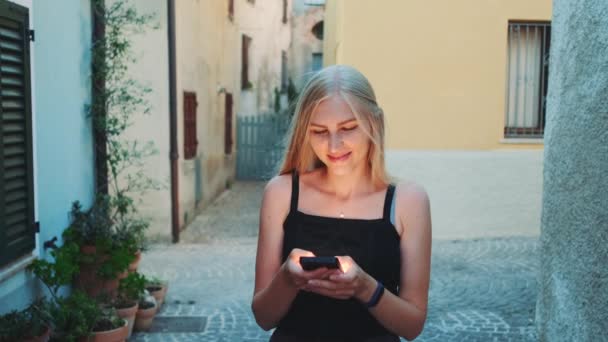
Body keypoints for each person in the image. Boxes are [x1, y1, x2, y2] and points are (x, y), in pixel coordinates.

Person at [252, 65, 432, 341]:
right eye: (319, 131)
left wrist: (365, 288)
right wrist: (286, 280)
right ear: (304, 131)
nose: (334, 146)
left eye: (348, 128)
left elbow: (412, 326)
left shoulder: (409, 201)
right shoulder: (282, 193)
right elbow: (264, 318)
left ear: (375, 123)